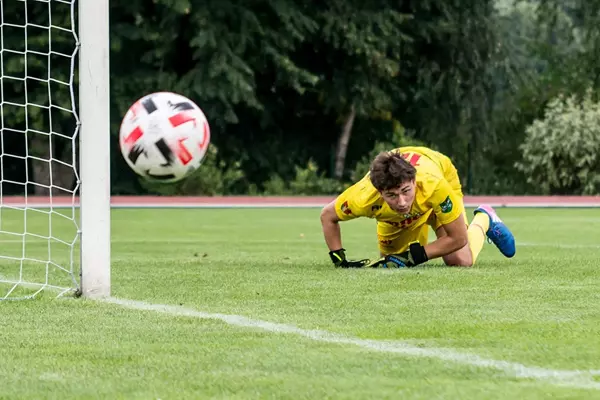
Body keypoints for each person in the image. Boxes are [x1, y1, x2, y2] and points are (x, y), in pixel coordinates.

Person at [320, 146, 516, 268]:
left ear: (414, 181)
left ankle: (484, 218)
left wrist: (416, 256)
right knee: (391, 263)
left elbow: (458, 238)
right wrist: (339, 260)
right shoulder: (363, 196)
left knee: (461, 260)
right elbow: (327, 216)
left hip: (440, 177)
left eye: (406, 191)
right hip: (396, 214)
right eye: (392, 195)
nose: (402, 202)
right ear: (379, 192)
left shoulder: (436, 185)